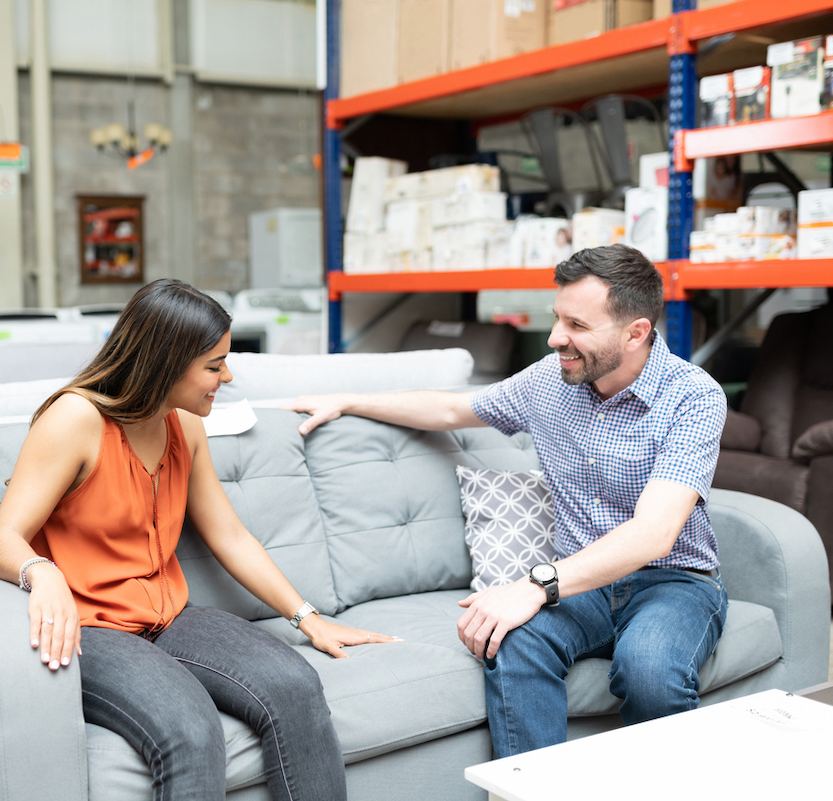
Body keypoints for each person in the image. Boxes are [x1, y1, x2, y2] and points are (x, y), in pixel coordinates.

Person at [284, 244, 728, 757]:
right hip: (581, 584)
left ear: (636, 333)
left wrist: (537, 585)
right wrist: (349, 400)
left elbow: (653, 535)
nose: (555, 337)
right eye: (557, 318)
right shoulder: (549, 381)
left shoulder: (694, 397)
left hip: (672, 582)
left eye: (577, 326)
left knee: (649, 671)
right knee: (510, 639)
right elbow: (452, 409)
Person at [0, 278, 398, 800]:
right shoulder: (76, 419)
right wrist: (42, 574)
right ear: (165, 362)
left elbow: (231, 536)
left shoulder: (184, 424)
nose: (227, 375)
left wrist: (308, 619)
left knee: (295, 687)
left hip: (171, 616)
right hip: (93, 628)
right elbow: (1, 537)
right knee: (191, 731)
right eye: (214, 364)